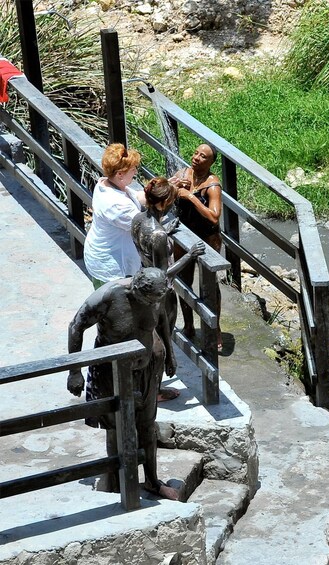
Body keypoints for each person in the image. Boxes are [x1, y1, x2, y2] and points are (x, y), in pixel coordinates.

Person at [66, 267, 179, 500]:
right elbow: (75, 326)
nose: (153, 304)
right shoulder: (108, 296)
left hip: (147, 368)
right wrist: (74, 371)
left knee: (147, 425)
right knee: (115, 428)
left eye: (156, 300)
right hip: (112, 371)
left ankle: (152, 480)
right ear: (136, 290)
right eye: (148, 300)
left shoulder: (158, 293)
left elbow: (161, 322)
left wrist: (169, 352)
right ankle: (118, 486)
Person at [131, 177, 207, 401]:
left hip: (140, 281)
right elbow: (163, 276)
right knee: (162, 342)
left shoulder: (138, 220)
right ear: (163, 204)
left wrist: (164, 229)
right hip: (159, 293)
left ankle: (146, 385)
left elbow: (149, 240)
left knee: (148, 337)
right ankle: (155, 390)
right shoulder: (158, 235)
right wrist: (190, 255)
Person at [170, 144, 223, 350]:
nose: (197, 158)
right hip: (183, 236)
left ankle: (215, 328)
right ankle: (189, 325)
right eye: (196, 153)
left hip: (207, 238)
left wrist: (190, 196)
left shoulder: (212, 185)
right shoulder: (183, 173)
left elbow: (214, 215)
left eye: (203, 156)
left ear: (210, 163)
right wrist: (174, 186)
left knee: (209, 284)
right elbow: (163, 192)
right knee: (183, 280)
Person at [83, 143, 146, 289]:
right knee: (114, 308)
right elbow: (145, 226)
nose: (136, 171)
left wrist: (164, 187)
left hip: (100, 256)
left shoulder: (106, 184)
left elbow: (138, 196)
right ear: (120, 174)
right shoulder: (117, 205)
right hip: (112, 267)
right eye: (133, 169)